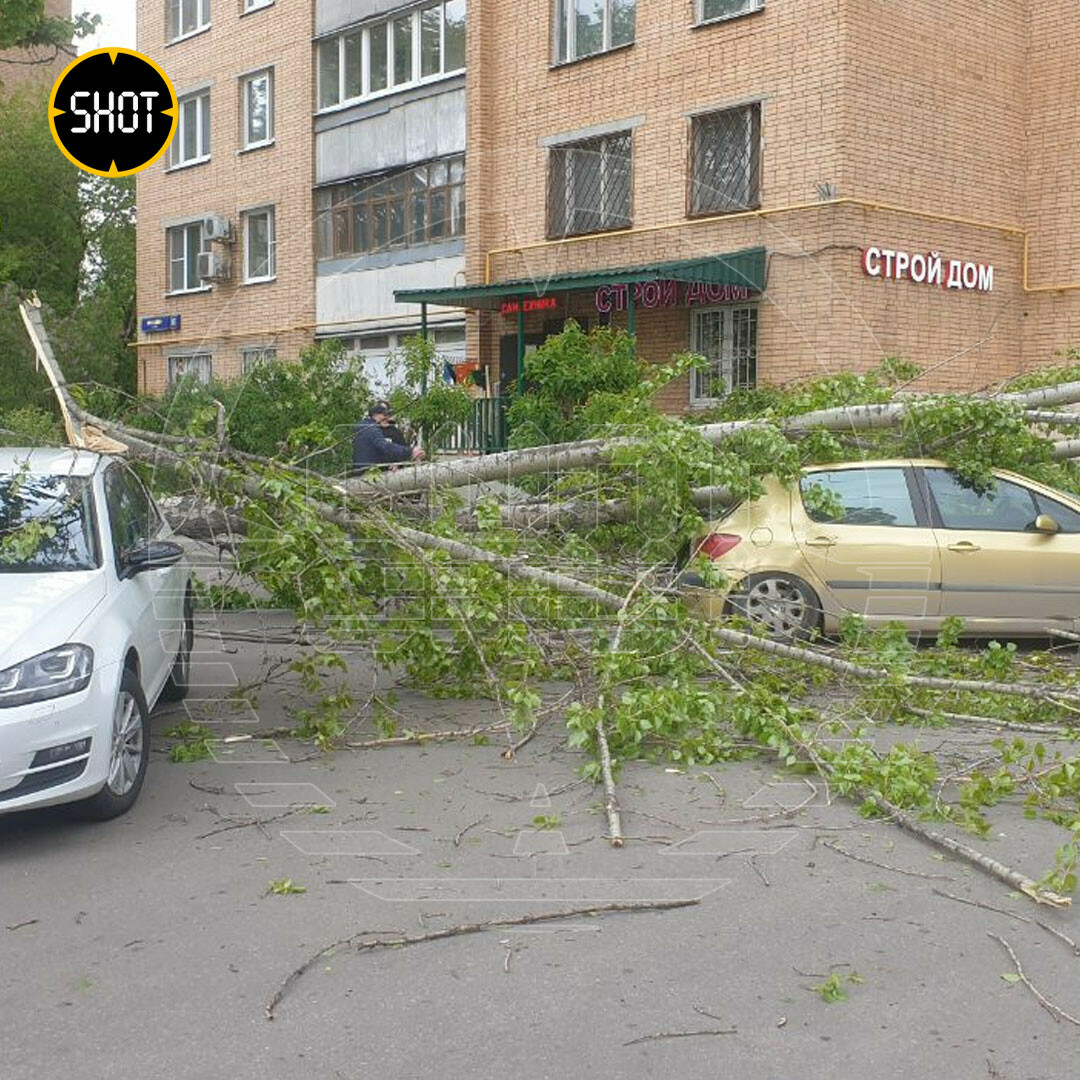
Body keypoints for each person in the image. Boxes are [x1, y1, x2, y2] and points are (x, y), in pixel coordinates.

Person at [351, 401, 424, 476]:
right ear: (375, 415)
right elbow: (384, 446)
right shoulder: (371, 429)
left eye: (388, 415)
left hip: (368, 472)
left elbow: (377, 451)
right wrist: (410, 451)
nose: (387, 418)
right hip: (369, 474)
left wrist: (397, 463)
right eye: (384, 415)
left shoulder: (366, 426)